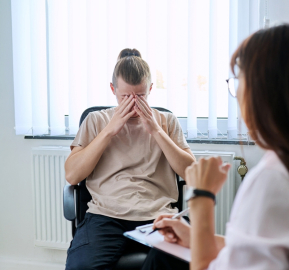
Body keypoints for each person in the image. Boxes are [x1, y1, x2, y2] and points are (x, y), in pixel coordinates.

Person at [141, 24, 289, 270]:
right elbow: (272, 250)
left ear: (260, 92)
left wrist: (201, 197)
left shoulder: (276, 180)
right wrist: (197, 237)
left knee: (161, 261)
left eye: (238, 81)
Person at [64, 48, 195, 270]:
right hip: (105, 215)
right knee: (82, 266)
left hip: (158, 215)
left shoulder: (167, 121)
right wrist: (109, 131)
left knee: (185, 260)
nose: (133, 103)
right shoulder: (96, 120)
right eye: (125, 96)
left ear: (150, 89)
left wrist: (156, 131)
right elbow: (72, 175)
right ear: (113, 89)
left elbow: (192, 173)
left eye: (141, 96)